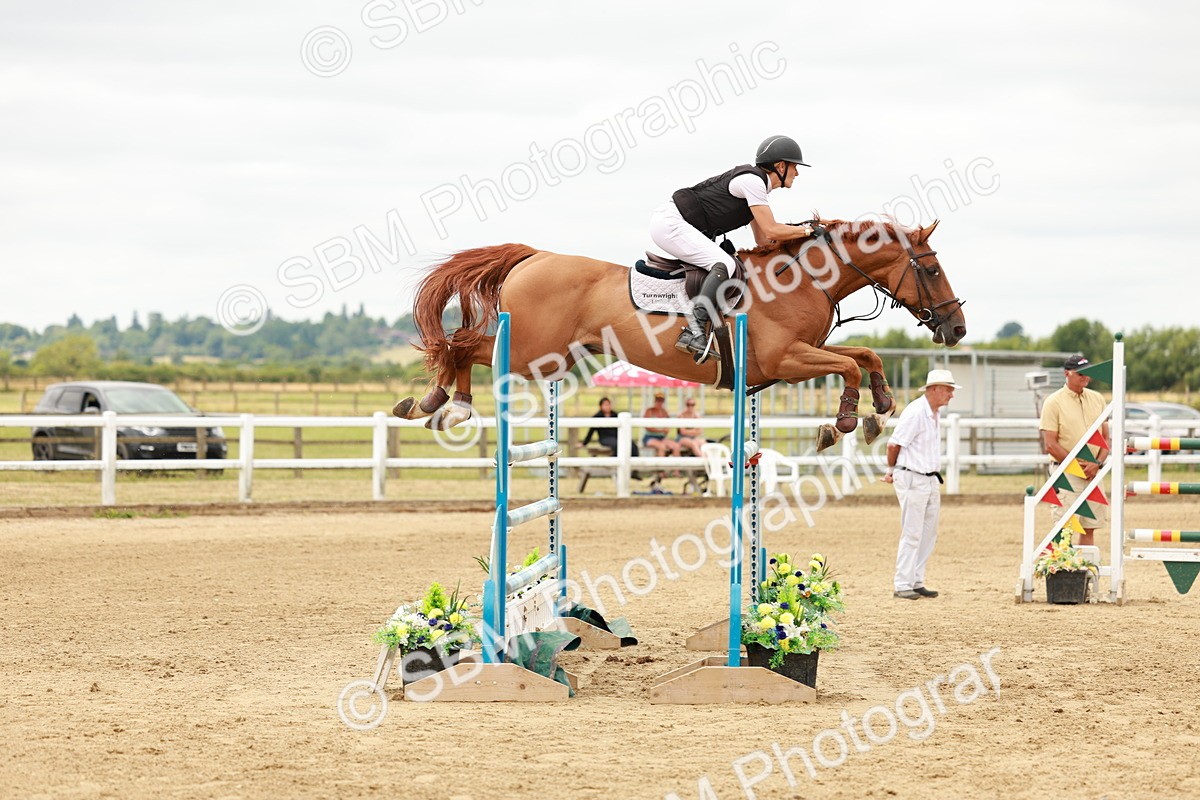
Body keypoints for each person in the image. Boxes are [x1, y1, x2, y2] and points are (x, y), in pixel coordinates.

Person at [650, 135, 818, 361]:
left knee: (728, 262)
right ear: (780, 166)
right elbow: (771, 230)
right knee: (725, 264)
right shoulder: (753, 182)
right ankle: (693, 331)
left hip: (675, 223)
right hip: (671, 224)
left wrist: (803, 233)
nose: (796, 173)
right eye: (795, 167)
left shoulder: (757, 189)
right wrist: (808, 231)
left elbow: (763, 240)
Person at [882, 369, 961, 600]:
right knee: (913, 531)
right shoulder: (916, 412)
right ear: (934, 389)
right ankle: (902, 583)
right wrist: (891, 471)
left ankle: (916, 580)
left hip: (929, 478)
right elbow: (893, 444)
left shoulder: (933, 413)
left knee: (928, 532)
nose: (951, 395)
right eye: (948, 390)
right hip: (913, 477)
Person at [1039, 354, 1109, 547]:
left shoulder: (1097, 399)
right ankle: (1064, 573)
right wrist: (1079, 466)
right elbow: (1050, 444)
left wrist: (1097, 464)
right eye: (1080, 373)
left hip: (1094, 471)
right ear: (1067, 373)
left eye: (1088, 372)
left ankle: (1085, 572)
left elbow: (1105, 438)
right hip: (1066, 471)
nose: (1085, 376)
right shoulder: (1053, 402)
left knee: (1090, 525)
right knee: (1065, 526)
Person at [642, 392, 682, 457]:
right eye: (658, 401)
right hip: (649, 437)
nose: (659, 403)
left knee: (676, 446)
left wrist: (666, 430)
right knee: (662, 447)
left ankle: (677, 466)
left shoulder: (664, 411)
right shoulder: (649, 411)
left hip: (661, 437)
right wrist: (661, 430)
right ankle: (661, 466)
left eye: (661, 401)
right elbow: (647, 427)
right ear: (655, 401)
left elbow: (668, 425)